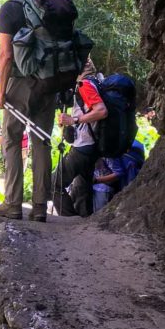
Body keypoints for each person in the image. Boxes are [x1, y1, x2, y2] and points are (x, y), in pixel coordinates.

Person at [0, 0, 56, 222]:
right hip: (49, 81)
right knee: (42, 141)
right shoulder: (47, 4)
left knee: (12, 140)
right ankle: (40, 208)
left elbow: (6, 55)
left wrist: (1, 91)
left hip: (19, 82)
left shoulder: (10, 9)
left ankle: (13, 204)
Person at [51, 58, 108, 217]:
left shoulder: (85, 85)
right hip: (93, 145)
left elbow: (101, 111)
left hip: (84, 145)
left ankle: (69, 219)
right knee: (83, 187)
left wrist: (74, 120)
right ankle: (83, 221)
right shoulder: (98, 81)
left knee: (55, 184)